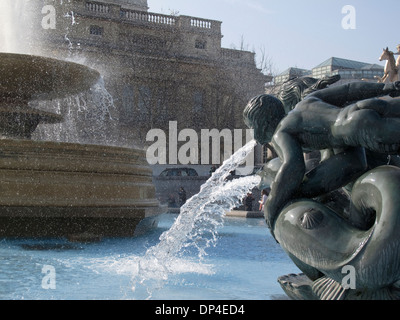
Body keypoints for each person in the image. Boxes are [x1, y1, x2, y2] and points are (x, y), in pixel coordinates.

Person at [244, 81, 400, 232]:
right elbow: (347, 90)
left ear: (262, 124)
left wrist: (271, 207)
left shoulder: (281, 132)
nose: (253, 135)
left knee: (299, 189)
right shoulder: (306, 102)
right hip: (360, 114)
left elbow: (293, 166)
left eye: (251, 127)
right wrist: (386, 87)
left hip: (361, 129)